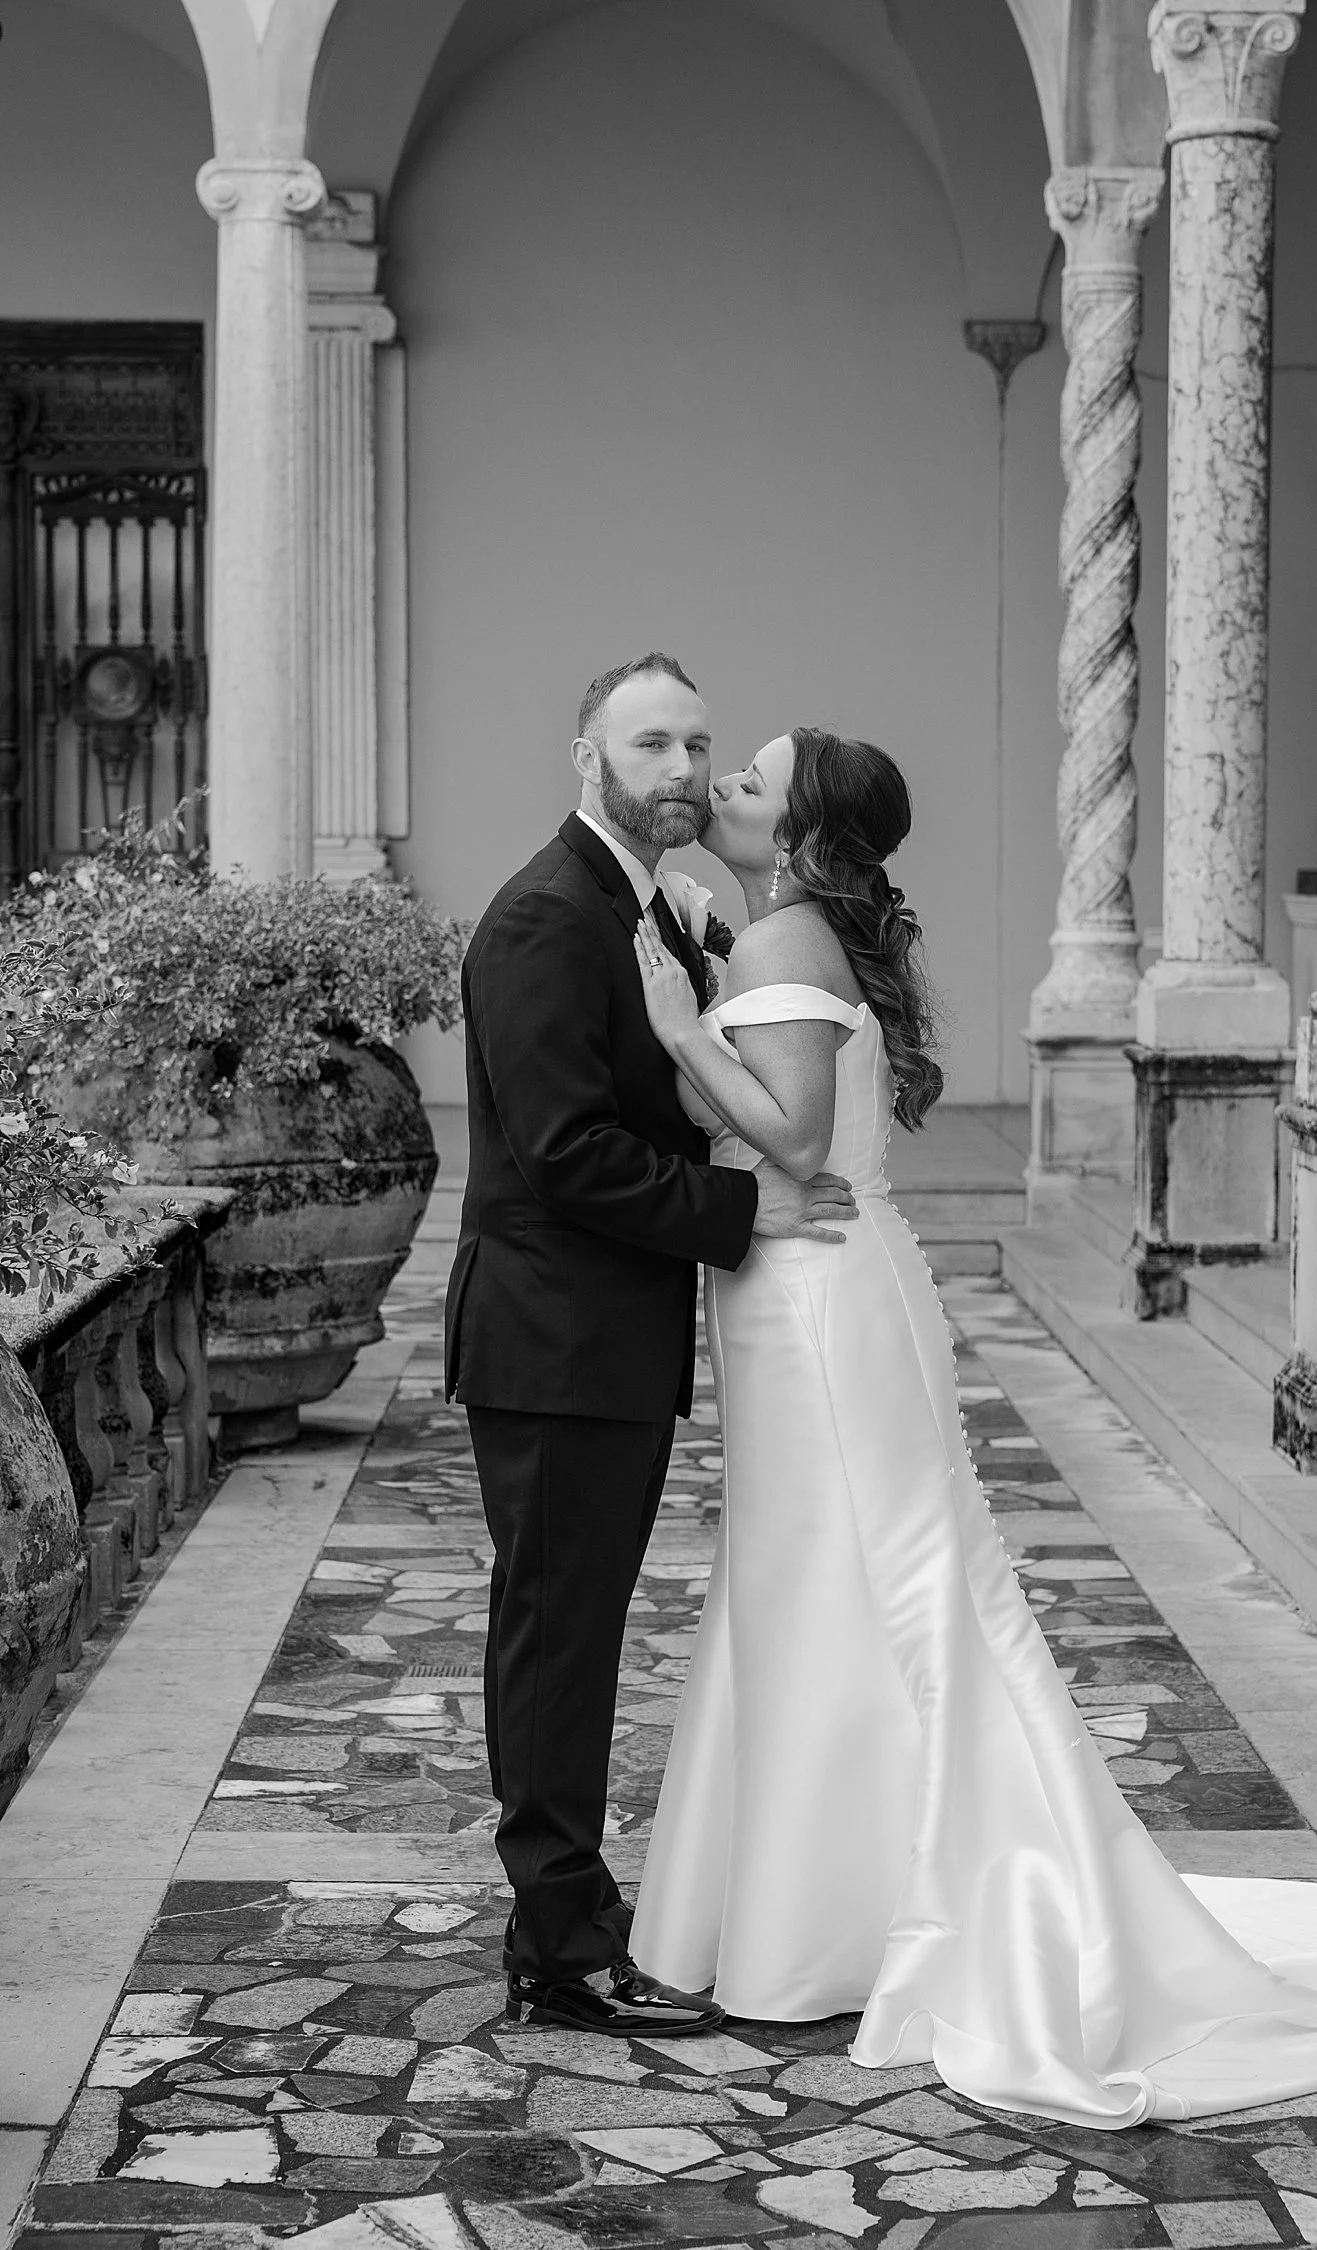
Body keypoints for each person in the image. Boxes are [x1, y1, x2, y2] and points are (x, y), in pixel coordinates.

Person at [627, 723, 1317, 2126]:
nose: (723, 778)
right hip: (802, 1290)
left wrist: (680, 1025)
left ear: (800, 832)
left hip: (819, 1305)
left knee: (876, 1589)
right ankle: (832, 1904)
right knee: (815, 1588)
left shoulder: (784, 941)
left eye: (753, 777)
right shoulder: (771, 932)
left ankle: (888, 1911)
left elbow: (790, 1138)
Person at [445, 656, 857, 2040]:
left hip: (605, 1340)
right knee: (557, 1638)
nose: (682, 769)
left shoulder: (651, 908)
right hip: (552, 1343)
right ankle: (561, 1947)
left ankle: (570, 1923)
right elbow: (564, 1153)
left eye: (696, 742)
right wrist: (744, 1210)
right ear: (588, 756)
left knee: (580, 1630)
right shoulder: (545, 919)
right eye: (649, 744)